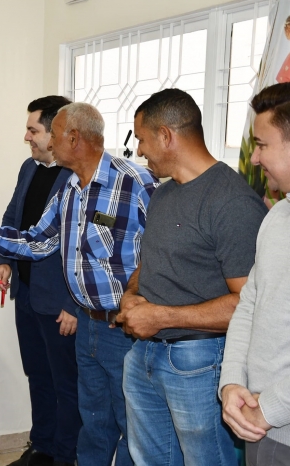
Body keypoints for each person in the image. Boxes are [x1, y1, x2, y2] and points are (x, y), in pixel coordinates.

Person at [0, 102, 157, 466]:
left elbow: (162, 253)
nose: (48, 142)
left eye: (53, 134)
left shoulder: (135, 182)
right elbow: (38, 242)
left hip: (125, 329)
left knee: (133, 426)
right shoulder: (69, 187)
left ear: (73, 138)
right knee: (94, 424)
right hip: (88, 326)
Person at [116, 88, 266, 465]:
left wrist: (161, 317)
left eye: (143, 138)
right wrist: (132, 296)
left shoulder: (230, 201)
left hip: (198, 362)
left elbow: (249, 305)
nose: (140, 149)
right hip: (145, 354)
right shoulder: (164, 195)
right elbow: (149, 263)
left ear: (166, 136)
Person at [0, 96, 80, 466]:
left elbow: (89, 249)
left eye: (34, 130)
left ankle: (65, 456)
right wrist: (5, 260)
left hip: (61, 302)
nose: (26, 137)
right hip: (27, 293)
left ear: (56, 133)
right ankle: (41, 447)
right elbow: (13, 215)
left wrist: (76, 305)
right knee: (37, 375)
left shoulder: (77, 177)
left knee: (66, 385)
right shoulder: (29, 168)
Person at [220, 82, 290, 466]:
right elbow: (249, 304)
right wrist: (232, 383)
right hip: (258, 421)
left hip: (273, 419)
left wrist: (271, 409)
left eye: (262, 145)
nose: (255, 158)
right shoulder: (277, 216)